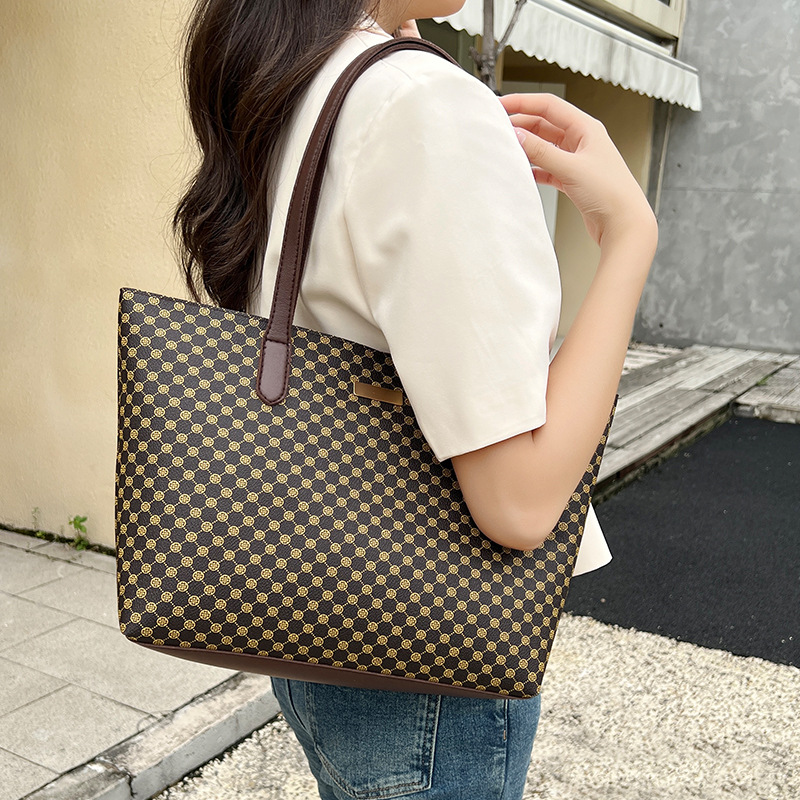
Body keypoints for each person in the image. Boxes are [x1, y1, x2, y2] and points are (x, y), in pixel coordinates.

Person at [173, 1, 657, 798]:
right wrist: (631, 236)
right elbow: (520, 501)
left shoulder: (296, 74)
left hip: (311, 611)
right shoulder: (416, 101)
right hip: (426, 655)